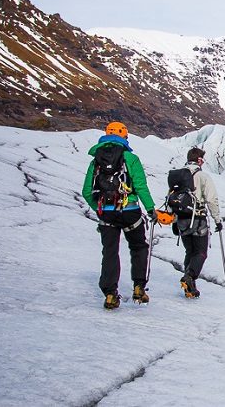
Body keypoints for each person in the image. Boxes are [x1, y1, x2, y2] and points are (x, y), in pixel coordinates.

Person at [81, 121, 156, 310]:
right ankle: (139, 287)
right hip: (130, 211)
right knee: (139, 246)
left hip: (106, 214)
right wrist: (151, 209)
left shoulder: (96, 160)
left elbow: (86, 191)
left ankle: (110, 294)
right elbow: (140, 187)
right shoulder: (130, 158)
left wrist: (99, 208)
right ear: (124, 136)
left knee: (110, 252)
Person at [176, 147, 223, 299]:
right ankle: (190, 277)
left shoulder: (178, 176)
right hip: (198, 218)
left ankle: (189, 286)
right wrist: (217, 219)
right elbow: (211, 199)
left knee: (189, 252)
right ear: (199, 160)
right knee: (201, 252)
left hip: (181, 219)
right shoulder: (202, 176)